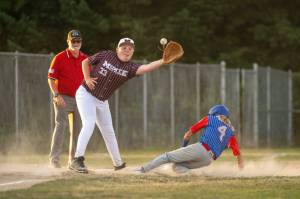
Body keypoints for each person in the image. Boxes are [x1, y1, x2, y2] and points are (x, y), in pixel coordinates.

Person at [69, 37, 169, 173]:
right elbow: (85, 62)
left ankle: (118, 164)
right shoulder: (107, 55)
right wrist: (86, 77)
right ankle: (76, 160)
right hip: (86, 94)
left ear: (132, 52)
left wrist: (163, 61)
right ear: (117, 49)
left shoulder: (130, 67)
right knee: (89, 124)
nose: (126, 50)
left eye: (130, 49)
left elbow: (146, 68)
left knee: (109, 131)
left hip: (102, 101)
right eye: (124, 48)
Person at [138, 104, 244, 173]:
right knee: (177, 167)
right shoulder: (231, 133)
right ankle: (195, 177)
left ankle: (142, 170)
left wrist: (182, 148)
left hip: (202, 149)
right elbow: (238, 154)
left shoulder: (210, 118)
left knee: (167, 157)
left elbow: (188, 134)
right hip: (208, 160)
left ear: (214, 113)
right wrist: (241, 172)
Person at [48, 30, 88, 168]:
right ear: (68, 42)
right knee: (61, 125)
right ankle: (54, 160)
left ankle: (73, 161)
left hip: (80, 98)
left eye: (78, 41)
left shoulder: (85, 58)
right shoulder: (59, 58)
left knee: (78, 129)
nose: (76, 43)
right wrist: (56, 95)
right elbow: (51, 79)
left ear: (81, 42)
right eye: (73, 41)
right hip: (63, 97)